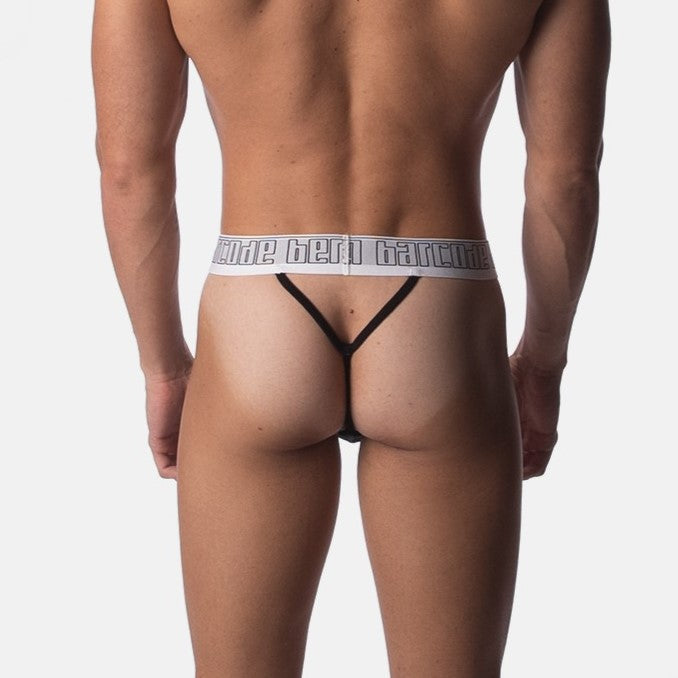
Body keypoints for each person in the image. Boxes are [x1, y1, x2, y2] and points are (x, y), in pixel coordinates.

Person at [91, 0, 610, 675]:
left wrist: (163, 367)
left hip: (258, 314)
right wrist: (543, 364)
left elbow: (130, 170)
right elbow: (567, 176)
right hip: (438, 313)